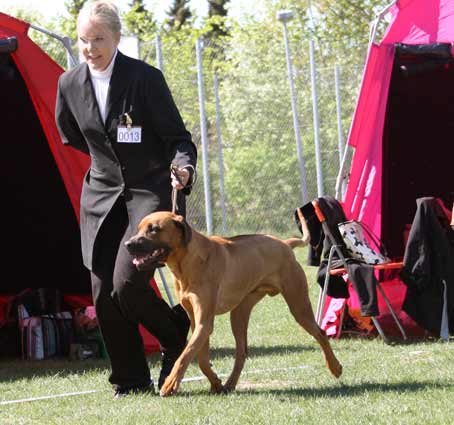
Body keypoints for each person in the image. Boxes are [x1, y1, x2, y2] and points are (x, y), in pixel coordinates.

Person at [55, 0, 197, 397]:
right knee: (103, 295)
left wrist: (182, 170)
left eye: (98, 38)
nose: (90, 48)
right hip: (100, 198)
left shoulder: (145, 79)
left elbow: (178, 140)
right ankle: (131, 381)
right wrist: (109, 168)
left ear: (117, 37)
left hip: (148, 194)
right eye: (84, 40)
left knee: (127, 285)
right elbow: (72, 134)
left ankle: (173, 335)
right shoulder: (68, 85)